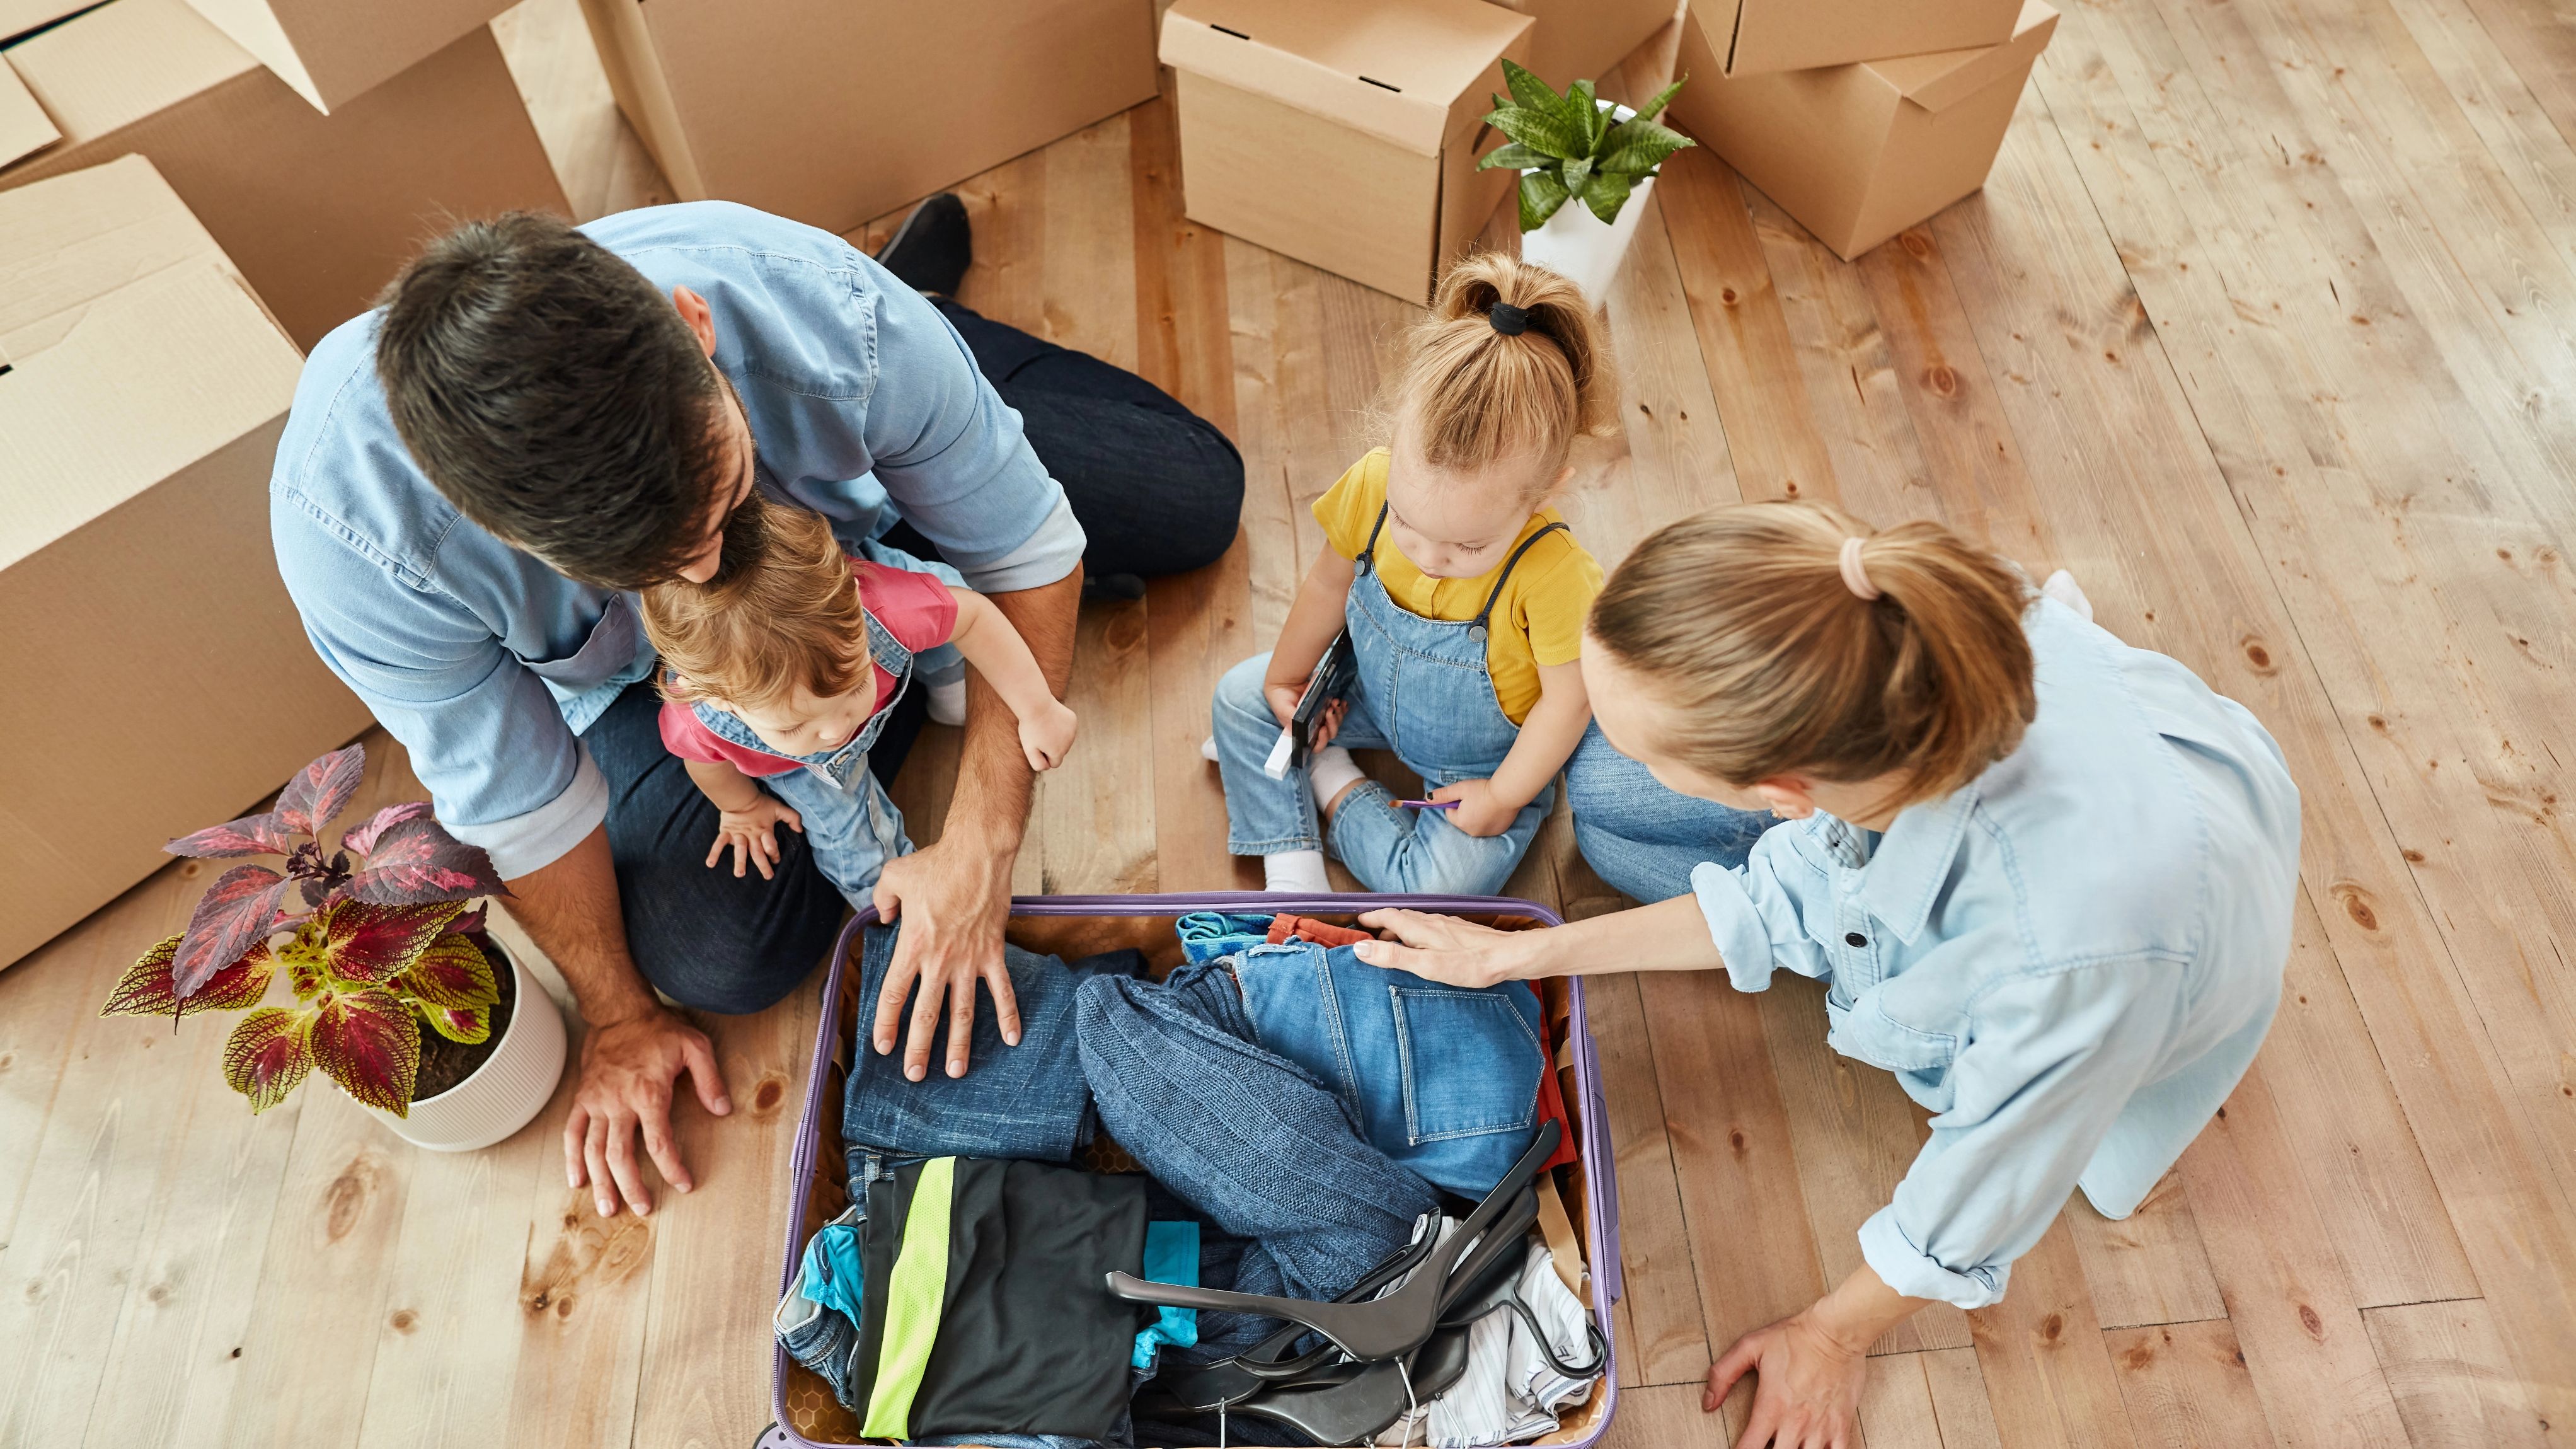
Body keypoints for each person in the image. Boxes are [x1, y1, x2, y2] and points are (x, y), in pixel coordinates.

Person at [270, 196, 1241, 1220]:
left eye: (721, 499)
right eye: (644, 564)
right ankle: (861, 674)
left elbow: (1025, 555)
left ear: (697, 327)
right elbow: (522, 803)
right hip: (680, 686)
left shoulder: (821, 315)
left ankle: (925, 407)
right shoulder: (358, 536)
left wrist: (979, 844)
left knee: (1188, 496)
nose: (701, 563)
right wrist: (617, 1019)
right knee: (716, 954)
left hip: (858, 508)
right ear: (491, 524)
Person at [1352, 502, 2299, 1449]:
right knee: (1604, 803)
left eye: (1649, 745)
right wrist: (1521, 951)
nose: (1602, 731)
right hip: (2123, 805)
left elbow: (1985, 1185)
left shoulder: (2070, 958)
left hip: (2156, 944)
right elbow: (1787, 893)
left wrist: (1830, 1334)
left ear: (1782, 797)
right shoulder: (1887, 621)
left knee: (1618, 818)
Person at [1207, 256, 1611, 896]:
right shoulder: (1371, 479)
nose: (1427, 555)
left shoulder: (1555, 572)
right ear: (1392, 448)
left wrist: (1503, 795)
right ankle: (1291, 870)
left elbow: (1569, 702)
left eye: (1467, 546)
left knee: (1438, 890)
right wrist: (1287, 677)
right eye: (1404, 522)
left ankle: (1327, 779)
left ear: (1542, 496)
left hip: (1479, 762)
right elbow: (1326, 584)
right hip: (1363, 694)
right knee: (1238, 695)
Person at [639, 495, 1078, 904]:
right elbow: (704, 763)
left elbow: (974, 618)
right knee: (853, 848)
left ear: (855, 604)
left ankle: (944, 679)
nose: (835, 730)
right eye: (792, 724)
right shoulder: (699, 719)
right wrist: (743, 806)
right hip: (804, 768)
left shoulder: (884, 610)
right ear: (723, 703)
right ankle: (902, 918)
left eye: (851, 685)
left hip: (892, 637)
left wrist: (1036, 707)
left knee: (950, 601)